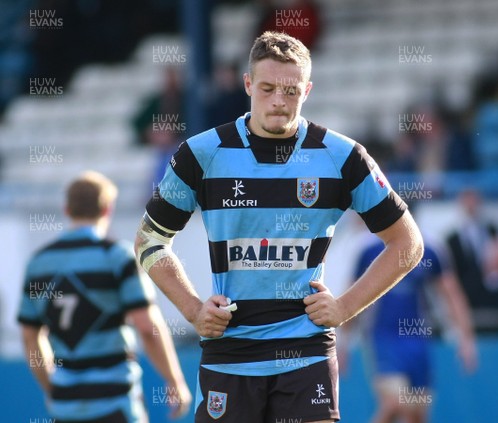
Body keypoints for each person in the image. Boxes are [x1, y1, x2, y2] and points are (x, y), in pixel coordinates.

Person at [134, 31, 424, 423]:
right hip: (230, 352)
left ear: (307, 89)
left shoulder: (342, 156)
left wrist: (344, 307)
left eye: (290, 91)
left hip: (306, 353)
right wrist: (191, 308)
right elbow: (150, 240)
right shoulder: (201, 154)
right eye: (267, 88)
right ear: (248, 84)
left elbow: (407, 244)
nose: (278, 101)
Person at [17, 171, 192, 422]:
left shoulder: (39, 263)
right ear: (107, 209)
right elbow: (146, 326)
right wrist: (174, 380)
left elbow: (29, 336)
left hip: (64, 407)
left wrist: (54, 389)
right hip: (115, 403)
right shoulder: (117, 257)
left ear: (67, 209)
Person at [345, 237, 477, 423]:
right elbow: (351, 296)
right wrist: (342, 343)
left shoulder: (428, 250)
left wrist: (466, 339)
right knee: (395, 403)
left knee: (417, 415)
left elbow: (451, 294)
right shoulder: (369, 252)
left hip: (418, 343)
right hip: (384, 339)